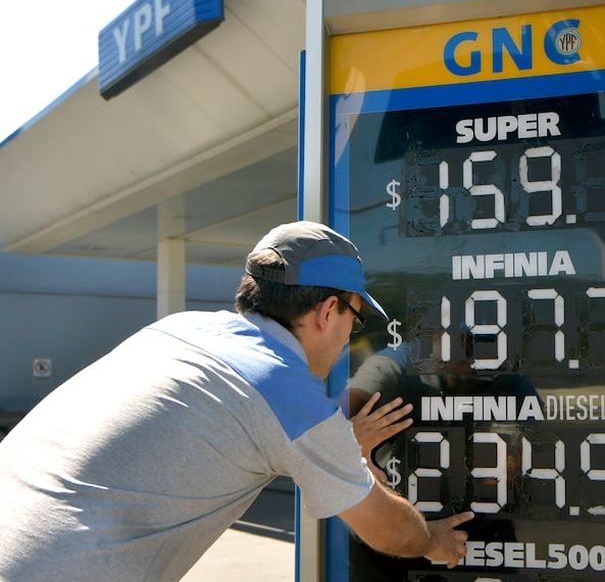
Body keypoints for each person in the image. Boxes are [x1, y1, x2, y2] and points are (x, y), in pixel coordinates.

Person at [0, 221, 473, 581]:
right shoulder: (288, 395)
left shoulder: (176, 329)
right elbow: (383, 527)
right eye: (356, 317)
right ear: (330, 311)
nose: (353, 334)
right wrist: (432, 540)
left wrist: (338, 452)